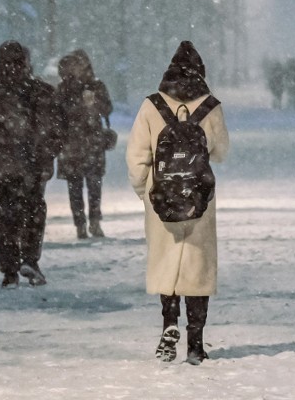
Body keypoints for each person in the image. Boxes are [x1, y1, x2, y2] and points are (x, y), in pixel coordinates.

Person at [126, 41, 230, 365]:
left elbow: (135, 158)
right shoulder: (210, 106)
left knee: (166, 263)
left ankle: (169, 324)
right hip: (199, 198)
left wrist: (146, 192)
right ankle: (196, 343)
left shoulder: (150, 106)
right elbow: (222, 151)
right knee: (197, 269)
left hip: (162, 198)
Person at [0, 41, 62, 287]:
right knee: (32, 213)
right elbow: (56, 129)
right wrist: (47, 153)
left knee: (3, 217)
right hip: (32, 166)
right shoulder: (41, 91)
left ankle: (9, 270)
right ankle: (30, 259)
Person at [54, 49, 113, 239]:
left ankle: (94, 221)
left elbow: (107, 109)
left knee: (94, 184)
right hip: (72, 144)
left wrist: (94, 102)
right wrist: (78, 107)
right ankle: (80, 223)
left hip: (92, 142)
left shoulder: (96, 86)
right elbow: (58, 115)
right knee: (75, 186)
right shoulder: (64, 88)